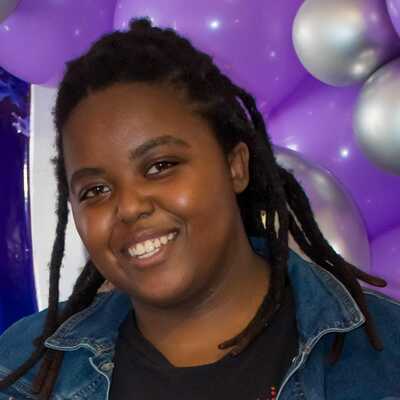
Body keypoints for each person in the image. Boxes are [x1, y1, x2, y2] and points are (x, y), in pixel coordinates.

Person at [0, 17, 399, 400]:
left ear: (235, 167)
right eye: (96, 190)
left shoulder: (385, 361)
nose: (129, 207)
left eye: (160, 166)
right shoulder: (20, 369)